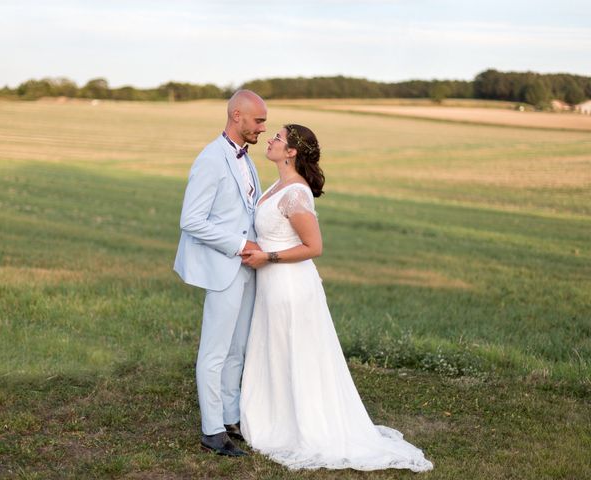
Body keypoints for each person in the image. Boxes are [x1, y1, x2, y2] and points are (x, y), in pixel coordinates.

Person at [239, 124, 434, 472]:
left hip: (289, 287)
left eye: (278, 138)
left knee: (297, 354)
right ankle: (275, 418)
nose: (270, 139)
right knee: (277, 352)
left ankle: (304, 426)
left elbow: (314, 247)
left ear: (292, 152)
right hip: (273, 286)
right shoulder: (277, 185)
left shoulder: (296, 193)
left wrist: (267, 257)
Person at [173, 90, 267, 457]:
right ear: (237, 115)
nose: (262, 127)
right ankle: (212, 431)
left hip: (247, 270)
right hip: (224, 267)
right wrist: (239, 245)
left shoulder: (247, 159)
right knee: (214, 352)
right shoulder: (211, 159)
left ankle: (230, 418)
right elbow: (191, 220)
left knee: (237, 350)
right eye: (258, 121)